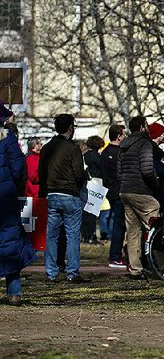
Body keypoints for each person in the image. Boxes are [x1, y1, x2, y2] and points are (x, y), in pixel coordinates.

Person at [38, 113, 90, 283]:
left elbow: (41, 174)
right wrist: (84, 177)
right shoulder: (73, 149)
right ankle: (72, 272)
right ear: (70, 128)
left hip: (52, 194)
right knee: (72, 235)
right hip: (70, 195)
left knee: (51, 235)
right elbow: (78, 173)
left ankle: (51, 272)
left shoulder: (47, 148)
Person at [0, 105, 35, 305]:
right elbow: (18, 167)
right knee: (11, 241)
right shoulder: (8, 139)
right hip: (5, 197)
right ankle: (14, 292)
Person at [118, 116, 160, 280]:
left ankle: (135, 268)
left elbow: (119, 170)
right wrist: (155, 184)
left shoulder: (124, 144)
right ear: (142, 127)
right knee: (155, 225)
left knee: (133, 232)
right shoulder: (145, 143)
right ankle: (159, 264)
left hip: (125, 190)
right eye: (147, 125)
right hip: (141, 190)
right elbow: (148, 170)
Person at [101, 124, 127, 268]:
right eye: (124, 134)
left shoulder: (105, 152)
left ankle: (116, 254)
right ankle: (115, 256)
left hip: (110, 191)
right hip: (119, 191)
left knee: (119, 223)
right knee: (120, 224)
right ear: (119, 136)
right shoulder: (119, 153)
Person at [81, 135, 104, 244]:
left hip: (86, 184)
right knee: (93, 213)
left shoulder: (85, 155)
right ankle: (91, 236)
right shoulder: (97, 157)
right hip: (96, 184)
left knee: (86, 212)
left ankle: (85, 235)